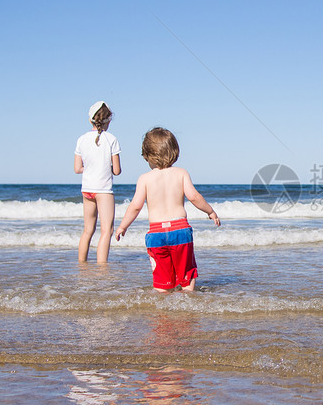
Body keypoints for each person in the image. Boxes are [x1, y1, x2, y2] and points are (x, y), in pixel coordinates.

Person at [115, 127, 220, 292]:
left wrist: (123, 226)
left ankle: (164, 313)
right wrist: (210, 211)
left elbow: (135, 206)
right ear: (174, 151)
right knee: (186, 274)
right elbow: (194, 197)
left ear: (148, 155)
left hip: (156, 234)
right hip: (180, 231)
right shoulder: (181, 173)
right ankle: (187, 302)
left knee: (161, 280)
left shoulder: (144, 179)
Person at [74, 101, 121, 263]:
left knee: (88, 230)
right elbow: (117, 170)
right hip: (103, 190)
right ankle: (102, 268)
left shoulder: (81, 139)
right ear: (108, 121)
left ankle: (82, 264)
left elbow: (77, 168)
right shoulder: (111, 139)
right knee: (106, 230)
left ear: (90, 121)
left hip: (87, 189)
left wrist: (91, 167)